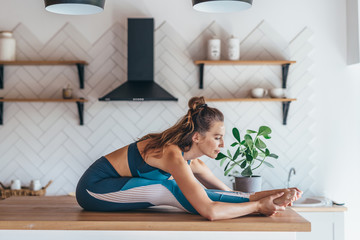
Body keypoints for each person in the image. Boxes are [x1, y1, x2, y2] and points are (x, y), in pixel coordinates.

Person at [76, 96, 302, 220]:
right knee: (168, 188)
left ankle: (265, 200)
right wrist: (257, 207)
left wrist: (269, 194)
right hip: (94, 190)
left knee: (173, 187)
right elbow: (210, 210)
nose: (222, 145)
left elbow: (228, 194)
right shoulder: (171, 155)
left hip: (115, 186)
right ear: (196, 137)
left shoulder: (195, 163)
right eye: (217, 137)